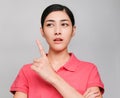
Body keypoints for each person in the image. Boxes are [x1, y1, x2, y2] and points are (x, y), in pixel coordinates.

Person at [10, 4, 104, 98]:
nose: (57, 31)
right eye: (50, 25)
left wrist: (52, 77)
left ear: (73, 30)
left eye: (64, 24)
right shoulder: (27, 71)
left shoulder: (89, 70)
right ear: (42, 31)